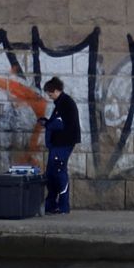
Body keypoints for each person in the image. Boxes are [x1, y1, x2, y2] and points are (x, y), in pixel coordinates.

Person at [38, 78, 80, 214]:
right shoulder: (61, 103)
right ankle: (51, 205)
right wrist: (47, 122)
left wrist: (47, 124)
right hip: (58, 144)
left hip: (63, 143)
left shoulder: (65, 103)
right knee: (51, 174)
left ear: (56, 91)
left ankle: (63, 206)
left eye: (50, 94)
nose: (49, 97)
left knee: (58, 173)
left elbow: (60, 123)